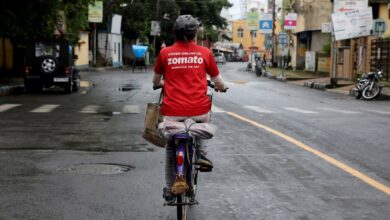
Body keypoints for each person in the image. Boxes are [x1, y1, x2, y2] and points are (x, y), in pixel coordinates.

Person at [153, 14, 228, 202]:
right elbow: (217, 81)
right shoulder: (205, 53)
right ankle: (201, 153)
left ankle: (170, 188)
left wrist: (163, 83)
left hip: (172, 113)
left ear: (175, 33)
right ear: (195, 33)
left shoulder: (165, 53)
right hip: (199, 111)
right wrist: (222, 88)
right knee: (202, 120)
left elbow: (156, 80)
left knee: (171, 146)